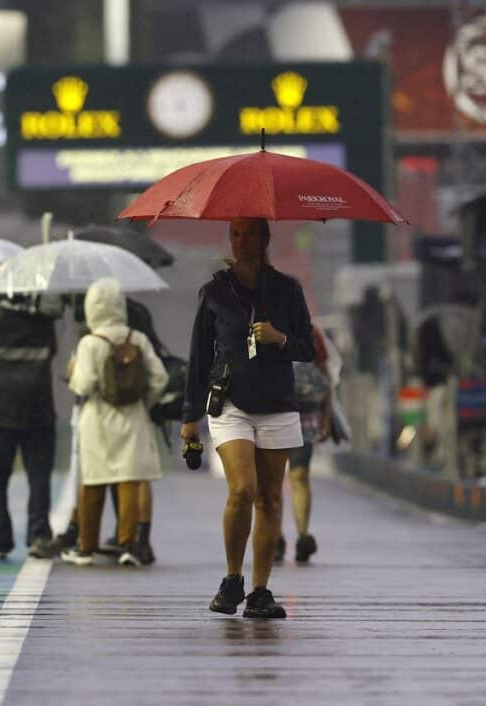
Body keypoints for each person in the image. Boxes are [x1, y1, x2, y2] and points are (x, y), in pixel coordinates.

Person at [181, 217, 314, 619]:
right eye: (235, 234)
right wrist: (190, 417)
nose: (241, 242)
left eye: (249, 234)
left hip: (277, 402)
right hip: (230, 403)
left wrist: (280, 338)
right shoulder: (215, 292)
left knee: (270, 498)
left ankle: (260, 590)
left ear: (265, 239)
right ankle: (232, 578)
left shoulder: (287, 290)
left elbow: (307, 348)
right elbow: (199, 358)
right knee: (242, 490)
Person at [61, 278, 168, 567]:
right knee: (129, 481)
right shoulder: (137, 339)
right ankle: (128, 544)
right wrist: (144, 402)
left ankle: (86, 547)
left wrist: (72, 373)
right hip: (132, 418)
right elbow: (160, 378)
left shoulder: (89, 343)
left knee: (93, 482)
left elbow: (83, 385)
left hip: (96, 419)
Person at [0, 292, 59, 561]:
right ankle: (39, 536)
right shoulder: (44, 323)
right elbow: (51, 352)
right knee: (39, 478)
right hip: (39, 411)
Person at [275, 326, 331, 565]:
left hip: (282, 416)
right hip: (290, 417)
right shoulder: (310, 331)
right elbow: (324, 375)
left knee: (282, 479)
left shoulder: (306, 331)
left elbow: (323, 373)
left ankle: (290, 538)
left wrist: (326, 418)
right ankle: (291, 536)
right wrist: (326, 417)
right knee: (292, 478)